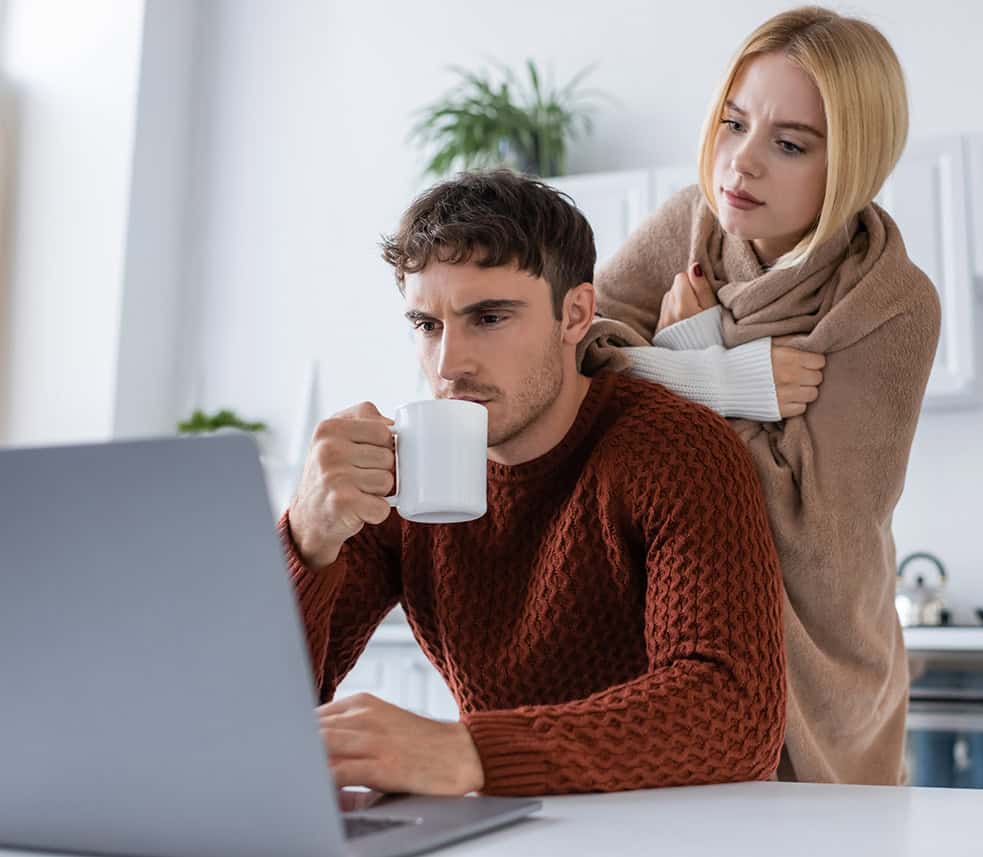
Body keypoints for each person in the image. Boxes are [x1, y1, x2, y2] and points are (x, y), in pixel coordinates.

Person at [279, 169, 787, 797]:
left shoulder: (676, 452)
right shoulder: (398, 476)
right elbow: (252, 717)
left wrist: (470, 753)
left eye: (488, 317)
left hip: (670, 833)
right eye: (426, 325)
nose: (449, 365)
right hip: (510, 830)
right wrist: (305, 540)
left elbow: (735, 711)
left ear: (575, 313)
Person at [580, 6, 941, 785]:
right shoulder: (693, 222)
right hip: (671, 646)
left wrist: (688, 347)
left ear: (852, 160)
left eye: (788, 144)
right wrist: (700, 370)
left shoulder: (892, 303)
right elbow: (573, 356)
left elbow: (814, 527)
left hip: (827, 663)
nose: (740, 165)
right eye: (734, 123)